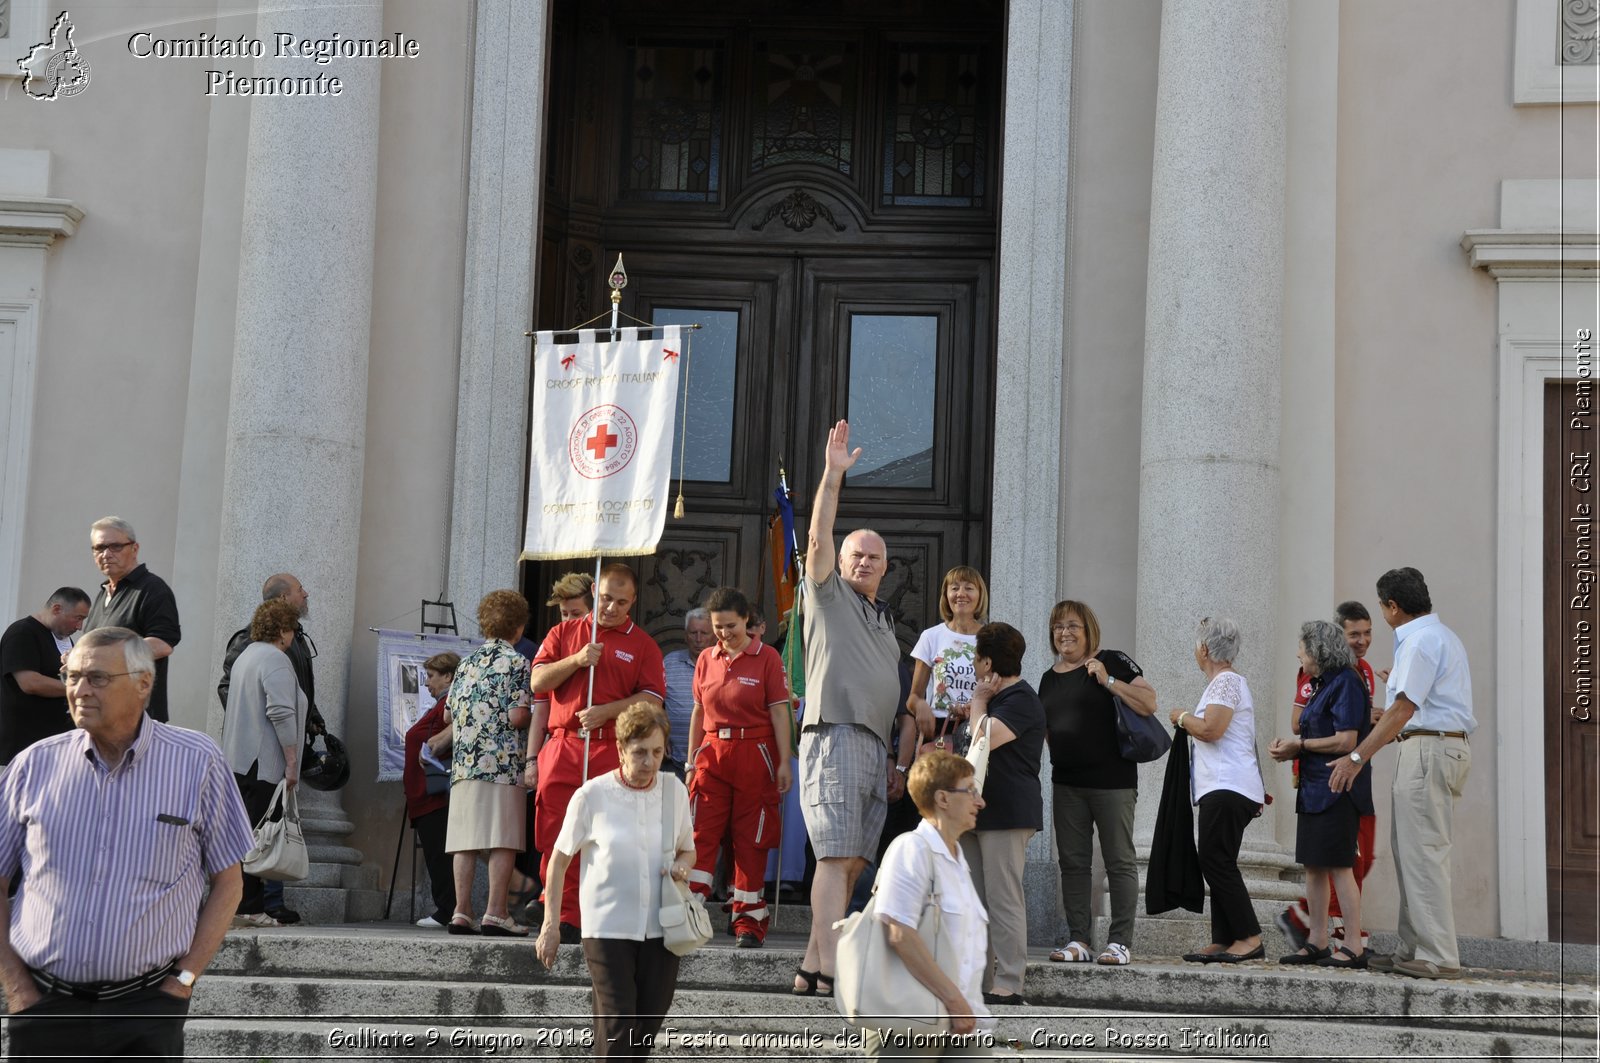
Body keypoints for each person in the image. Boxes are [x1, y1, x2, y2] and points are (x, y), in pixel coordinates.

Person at [0, 627, 254, 1060]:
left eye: (97, 678)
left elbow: (229, 883)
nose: (79, 690)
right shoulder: (32, 765)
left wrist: (183, 982)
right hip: (45, 1008)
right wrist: (17, 989)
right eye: (71, 676)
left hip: (148, 1010)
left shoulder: (198, 762)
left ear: (143, 684)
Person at [793, 421, 903, 998]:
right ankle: (834, 969)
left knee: (855, 860)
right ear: (841, 559)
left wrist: (892, 757)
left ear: (885, 568)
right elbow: (817, 536)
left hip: (871, 747)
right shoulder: (826, 593)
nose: (863, 563)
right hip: (832, 736)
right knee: (836, 858)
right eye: (856, 554)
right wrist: (833, 475)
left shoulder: (886, 623)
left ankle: (812, 963)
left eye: (874, 558)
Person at [1331, 567, 1475, 980]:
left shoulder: (1420, 641)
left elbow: (1404, 709)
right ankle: (1413, 948)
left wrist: (1357, 758)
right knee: (1412, 850)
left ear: (1392, 606)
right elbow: (1413, 706)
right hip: (1435, 745)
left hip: (1428, 749)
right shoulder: (1441, 636)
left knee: (1423, 852)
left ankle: (1437, 955)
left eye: (1381, 606)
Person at [536, 703, 694, 1061]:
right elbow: (559, 861)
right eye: (640, 753)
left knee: (644, 1031)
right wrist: (551, 924)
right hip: (607, 930)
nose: (650, 762)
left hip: (662, 928)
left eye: (657, 752)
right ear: (621, 749)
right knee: (622, 1027)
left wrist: (682, 867)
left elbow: (689, 850)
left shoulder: (675, 792)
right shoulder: (592, 795)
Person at [530, 563, 666, 938]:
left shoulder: (644, 645)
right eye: (606, 598)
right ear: (594, 590)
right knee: (557, 833)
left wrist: (607, 710)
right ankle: (560, 916)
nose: (611, 608)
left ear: (633, 601)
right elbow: (537, 680)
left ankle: (600, 912)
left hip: (610, 748)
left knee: (609, 835)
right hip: (564, 744)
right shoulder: (564, 631)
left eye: (621, 602)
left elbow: (652, 700)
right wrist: (576, 660)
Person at [1040, 600, 1159, 967]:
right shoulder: (1048, 677)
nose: (1065, 633)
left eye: (1073, 626)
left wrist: (1107, 680)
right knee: (1073, 863)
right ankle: (1079, 940)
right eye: (1059, 627)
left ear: (1088, 629)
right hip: (1067, 783)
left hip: (1113, 781)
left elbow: (1149, 702)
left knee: (1119, 860)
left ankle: (1120, 941)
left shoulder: (1113, 660)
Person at [862, 750, 993, 1059]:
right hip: (910, 1019)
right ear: (943, 799)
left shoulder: (959, 861)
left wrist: (965, 1008)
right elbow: (900, 933)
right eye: (971, 790)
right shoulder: (911, 849)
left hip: (962, 1021)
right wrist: (954, 1000)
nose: (981, 801)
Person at [217, 572, 326, 925]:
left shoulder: (248, 656)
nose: (294, 636)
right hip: (262, 761)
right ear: (282, 630)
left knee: (245, 834)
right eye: (292, 630)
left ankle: (244, 904)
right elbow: (279, 712)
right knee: (259, 837)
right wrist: (292, 762)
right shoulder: (275, 659)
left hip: (239, 758)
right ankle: (249, 908)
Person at [685, 587, 792, 948]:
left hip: (755, 753)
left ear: (747, 620)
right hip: (712, 752)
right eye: (718, 627)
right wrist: (690, 760)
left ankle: (748, 918)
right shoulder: (706, 659)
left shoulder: (768, 658)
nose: (724, 634)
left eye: (731, 626)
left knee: (751, 837)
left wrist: (784, 761)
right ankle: (688, 911)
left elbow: (779, 711)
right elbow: (699, 711)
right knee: (702, 830)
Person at [1277, 601, 1380, 952]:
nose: (1298, 656)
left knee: (1339, 867)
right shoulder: (1321, 683)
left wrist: (1300, 745)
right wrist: (1298, 746)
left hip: (1338, 788)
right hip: (1314, 789)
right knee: (1314, 867)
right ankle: (1317, 940)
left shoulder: (1347, 682)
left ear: (1318, 652)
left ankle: (1352, 945)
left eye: (1302, 650)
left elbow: (1347, 739)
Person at [1170, 617, 1265, 963]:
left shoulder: (1225, 681)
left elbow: (1211, 729)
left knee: (1214, 859)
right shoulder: (1224, 683)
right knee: (1218, 858)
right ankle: (1225, 937)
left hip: (1228, 785)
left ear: (1204, 649)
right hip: (1226, 786)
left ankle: (1250, 936)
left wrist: (1181, 717)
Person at [961, 622, 1044, 1005]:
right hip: (977, 812)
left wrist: (977, 703)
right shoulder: (998, 700)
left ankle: (1009, 981)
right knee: (975, 900)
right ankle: (979, 980)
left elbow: (985, 739)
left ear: (989, 661)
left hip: (1007, 813)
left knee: (1003, 897)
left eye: (977, 658)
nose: (974, 665)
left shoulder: (1022, 699)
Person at [446, 590, 533, 937]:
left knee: (465, 841)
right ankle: (496, 912)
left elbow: (448, 712)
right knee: (502, 838)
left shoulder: (466, 663)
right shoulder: (516, 662)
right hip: (502, 763)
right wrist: (534, 715)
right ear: (519, 626)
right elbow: (516, 716)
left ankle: (461, 911)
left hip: (465, 764)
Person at [82, 517, 181, 722]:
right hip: (99, 714)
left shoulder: (153, 589)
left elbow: (162, 644)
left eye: (116, 546)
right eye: (99, 548)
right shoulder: (103, 594)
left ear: (134, 548)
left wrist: (101, 659)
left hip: (135, 719)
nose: (106, 554)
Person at [0, 588, 90, 766]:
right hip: (20, 750)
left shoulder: (63, 638)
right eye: (78, 618)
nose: (79, 627)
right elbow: (30, 683)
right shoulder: (22, 633)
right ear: (57, 609)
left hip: (52, 748)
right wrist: (76, 689)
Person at [403, 652, 461, 928]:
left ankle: (447, 910)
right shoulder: (438, 705)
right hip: (424, 793)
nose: (426, 683)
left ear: (448, 676)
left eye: (431, 676)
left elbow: (454, 734)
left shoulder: (449, 705)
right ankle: (447, 908)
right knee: (436, 853)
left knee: (439, 854)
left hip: (435, 794)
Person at [908, 567, 987, 743]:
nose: (961, 593)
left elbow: (999, 689)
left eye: (969, 588)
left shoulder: (990, 638)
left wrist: (973, 707)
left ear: (980, 595)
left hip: (977, 729)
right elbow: (913, 697)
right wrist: (920, 706)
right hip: (939, 732)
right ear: (946, 595)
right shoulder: (931, 636)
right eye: (954, 588)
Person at [662, 606, 713, 776]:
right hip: (673, 761)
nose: (698, 639)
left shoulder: (722, 665)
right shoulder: (669, 663)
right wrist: (661, 732)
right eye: (693, 633)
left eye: (704, 633)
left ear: (713, 636)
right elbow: (655, 703)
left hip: (712, 763)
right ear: (685, 636)